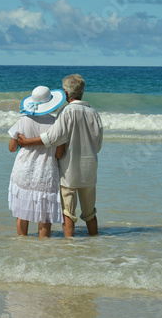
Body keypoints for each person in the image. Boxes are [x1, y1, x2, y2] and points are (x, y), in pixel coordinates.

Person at [18, 75, 103, 237]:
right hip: (90, 168)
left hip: (69, 169)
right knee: (90, 212)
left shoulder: (66, 112)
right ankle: (94, 241)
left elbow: (53, 137)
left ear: (65, 93)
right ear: (82, 91)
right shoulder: (94, 112)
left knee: (68, 212)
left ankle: (69, 246)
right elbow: (97, 145)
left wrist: (28, 142)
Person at [8, 86, 66, 238]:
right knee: (44, 215)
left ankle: (22, 243)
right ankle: (43, 249)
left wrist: (24, 141)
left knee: (22, 211)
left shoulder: (24, 120)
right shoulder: (56, 124)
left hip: (23, 168)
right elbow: (59, 153)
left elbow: (12, 148)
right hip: (45, 170)